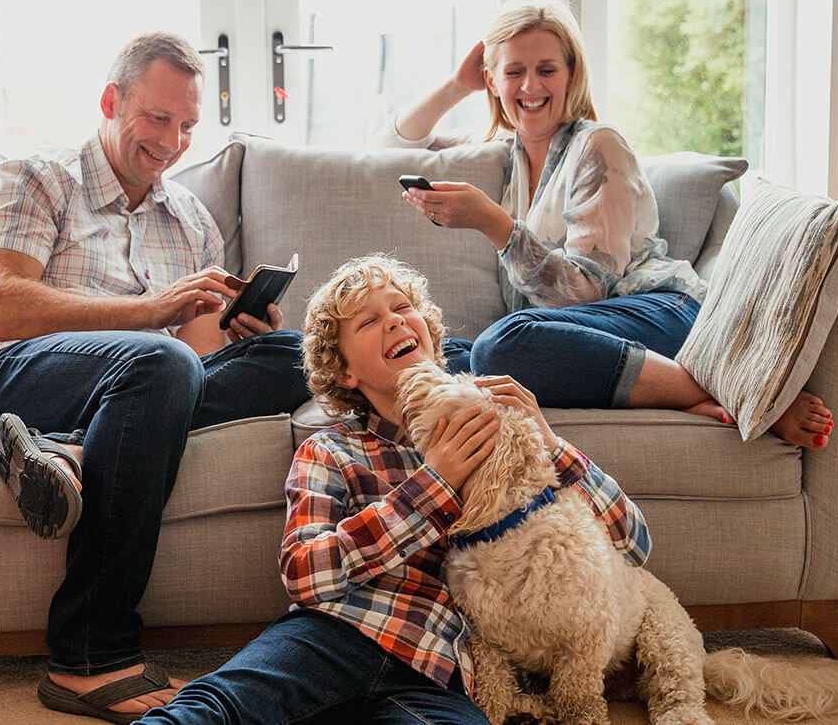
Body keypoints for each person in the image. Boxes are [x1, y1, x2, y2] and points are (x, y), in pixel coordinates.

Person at [0, 32, 310, 724]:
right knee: (158, 360)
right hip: (11, 367)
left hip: (144, 386)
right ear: (112, 101)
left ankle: (71, 447)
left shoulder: (190, 217)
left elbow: (193, 365)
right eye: (158, 118)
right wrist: (151, 313)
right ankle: (86, 653)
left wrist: (235, 335)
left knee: (296, 354)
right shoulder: (35, 175)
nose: (173, 142)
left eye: (189, 126)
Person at [135, 254, 650, 724]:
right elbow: (304, 572)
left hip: (439, 662)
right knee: (212, 710)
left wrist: (550, 442)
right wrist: (435, 483)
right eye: (368, 321)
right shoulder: (331, 451)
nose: (395, 321)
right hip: (331, 634)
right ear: (345, 371)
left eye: (403, 307)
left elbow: (632, 543)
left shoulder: (501, 434)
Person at [381, 0, 833, 449]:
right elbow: (388, 148)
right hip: (574, 339)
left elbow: (586, 290)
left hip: (657, 312)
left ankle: (736, 389)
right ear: (492, 81)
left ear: (571, 75)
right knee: (431, 362)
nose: (531, 85)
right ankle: (676, 393)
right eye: (514, 71)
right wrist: (459, 86)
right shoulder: (502, 152)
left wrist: (493, 223)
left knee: (502, 344)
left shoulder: (598, 147)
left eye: (547, 69)